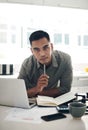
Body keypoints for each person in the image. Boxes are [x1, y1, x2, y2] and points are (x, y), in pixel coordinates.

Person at [18, 30, 73, 98]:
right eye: (36, 49)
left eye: (45, 47)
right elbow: (19, 93)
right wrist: (37, 88)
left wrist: (39, 92)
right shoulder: (27, 64)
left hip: (54, 101)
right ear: (32, 51)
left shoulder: (64, 59)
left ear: (51, 47)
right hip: (32, 103)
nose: (42, 54)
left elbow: (65, 89)